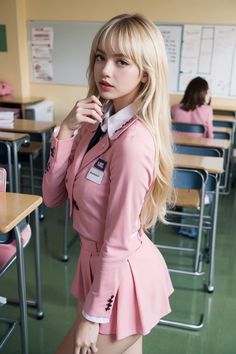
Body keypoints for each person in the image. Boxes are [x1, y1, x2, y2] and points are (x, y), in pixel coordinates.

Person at [43, 13, 174, 354]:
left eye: (121, 61)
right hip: (95, 268)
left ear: (145, 74)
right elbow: (53, 196)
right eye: (101, 57)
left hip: (123, 277)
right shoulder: (94, 121)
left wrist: (92, 315)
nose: (105, 70)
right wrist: (67, 131)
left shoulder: (134, 143)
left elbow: (117, 237)